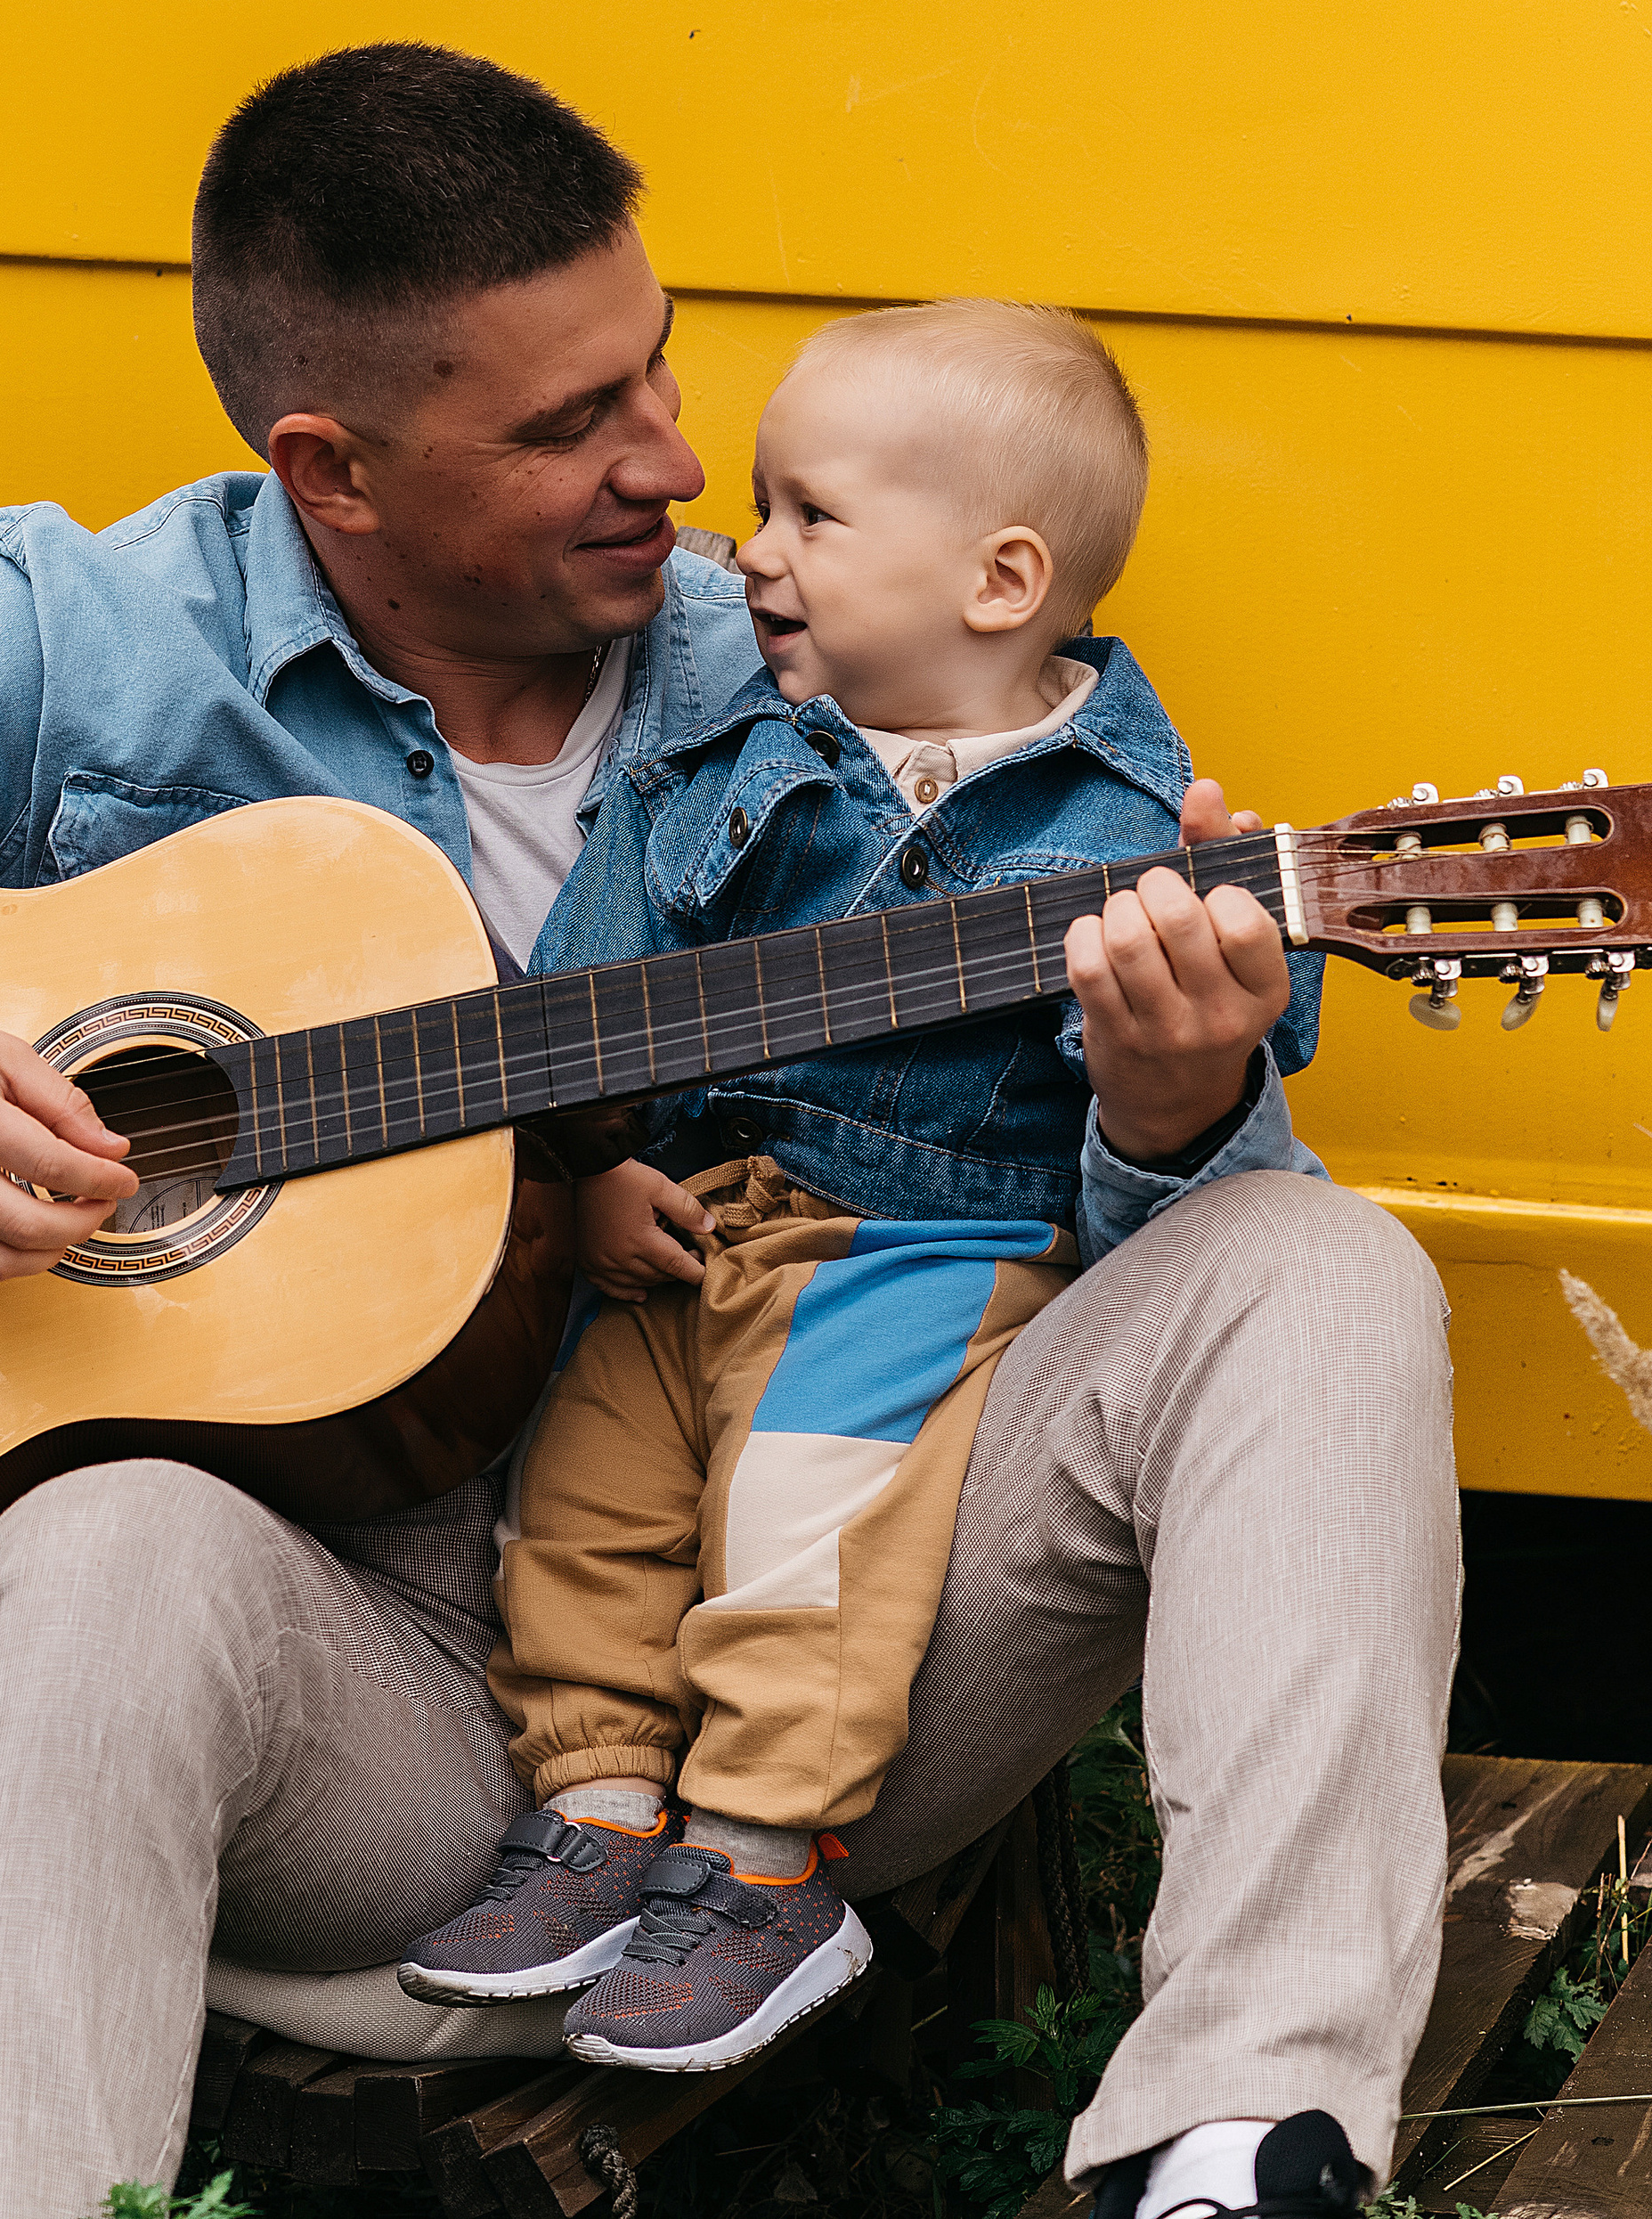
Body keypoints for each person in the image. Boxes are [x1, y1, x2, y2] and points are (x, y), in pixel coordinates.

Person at [0, 47, 1457, 2219]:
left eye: (654, 370)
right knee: (95, 1548)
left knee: (1308, 1263)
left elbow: (1083, 1210)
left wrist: (1164, 1105)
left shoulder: (811, 650)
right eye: (566, 426)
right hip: (364, 1694)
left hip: (821, 1615)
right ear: (330, 469)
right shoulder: (98, 642)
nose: (673, 470)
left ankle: (1237, 2140)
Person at [400, 298, 1322, 2116]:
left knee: (801, 1533)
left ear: (998, 580)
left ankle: (759, 1862)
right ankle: (597, 1815)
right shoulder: (724, 765)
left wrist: (1202, 1018)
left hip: (917, 1248)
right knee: (579, 1503)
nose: (749, 551)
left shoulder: (1118, 826)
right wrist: (591, 1165)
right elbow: (588, 993)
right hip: (687, 1231)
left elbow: (1226, 1034)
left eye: (808, 514)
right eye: (761, 503)